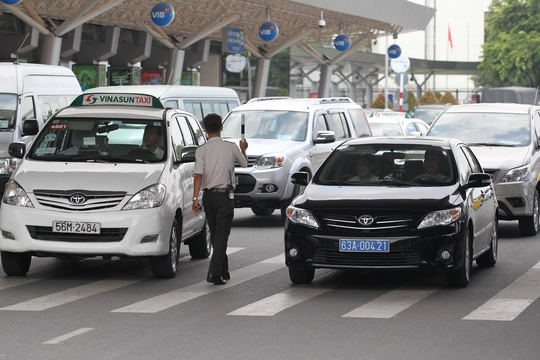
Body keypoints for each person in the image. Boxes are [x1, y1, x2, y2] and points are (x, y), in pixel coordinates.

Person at [192, 113, 248, 285]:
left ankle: (223, 269)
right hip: (225, 197)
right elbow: (245, 164)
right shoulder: (231, 147)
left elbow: (198, 175)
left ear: (205, 130)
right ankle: (214, 274)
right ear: (222, 127)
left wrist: (195, 199)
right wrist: (243, 149)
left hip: (208, 197)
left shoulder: (201, 150)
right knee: (221, 235)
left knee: (217, 234)